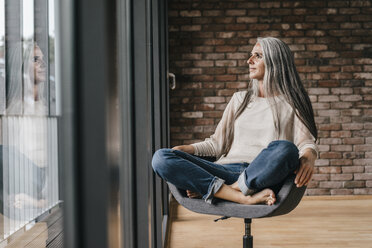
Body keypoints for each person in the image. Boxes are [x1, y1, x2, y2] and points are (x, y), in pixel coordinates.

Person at [152, 37, 318, 206]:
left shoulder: (291, 103)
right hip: (225, 170)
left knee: (286, 149)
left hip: (262, 175)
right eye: (251, 55)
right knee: (161, 157)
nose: (249, 60)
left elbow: (306, 144)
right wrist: (185, 149)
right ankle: (240, 196)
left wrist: (310, 157)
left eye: (258, 56)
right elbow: (217, 145)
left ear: (276, 61)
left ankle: (224, 191)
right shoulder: (240, 99)